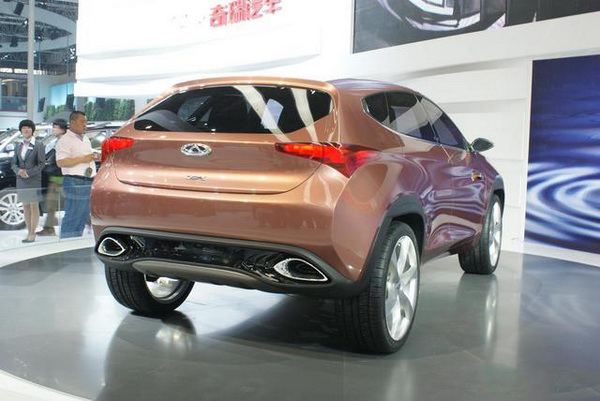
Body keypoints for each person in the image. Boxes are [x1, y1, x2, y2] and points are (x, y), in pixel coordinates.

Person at [55, 111, 96, 239]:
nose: (85, 124)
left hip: (88, 180)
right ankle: (66, 243)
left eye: (86, 122)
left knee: (83, 215)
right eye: (82, 121)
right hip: (74, 181)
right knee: (73, 214)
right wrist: (83, 159)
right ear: (72, 122)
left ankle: (75, 241)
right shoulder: (65, 140)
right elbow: (61, 162)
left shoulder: (85, 139)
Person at [10, 119, 46, 243]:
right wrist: (18, 171)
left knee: (33, 206)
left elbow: (42, 164)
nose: (26, 130)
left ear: (32, 130)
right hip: (21, 180)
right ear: (21, 130)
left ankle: (32, 233)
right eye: (23, 128)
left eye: (28, 127)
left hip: (33, 179)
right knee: (25, 206)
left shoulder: (39, 145)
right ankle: (28, 231)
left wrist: (28, 172)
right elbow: (13, 163)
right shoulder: (18, 145)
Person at [37, 118, 68, 236]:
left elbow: (61, 161)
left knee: (52, 204)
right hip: (56, 178)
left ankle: (49, 229)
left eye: (55, 127)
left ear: (62, 129)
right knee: (52, 204)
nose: (53, 129)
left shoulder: (64, 142)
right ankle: (49, 228)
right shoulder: (59, 141)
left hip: (60, 179)